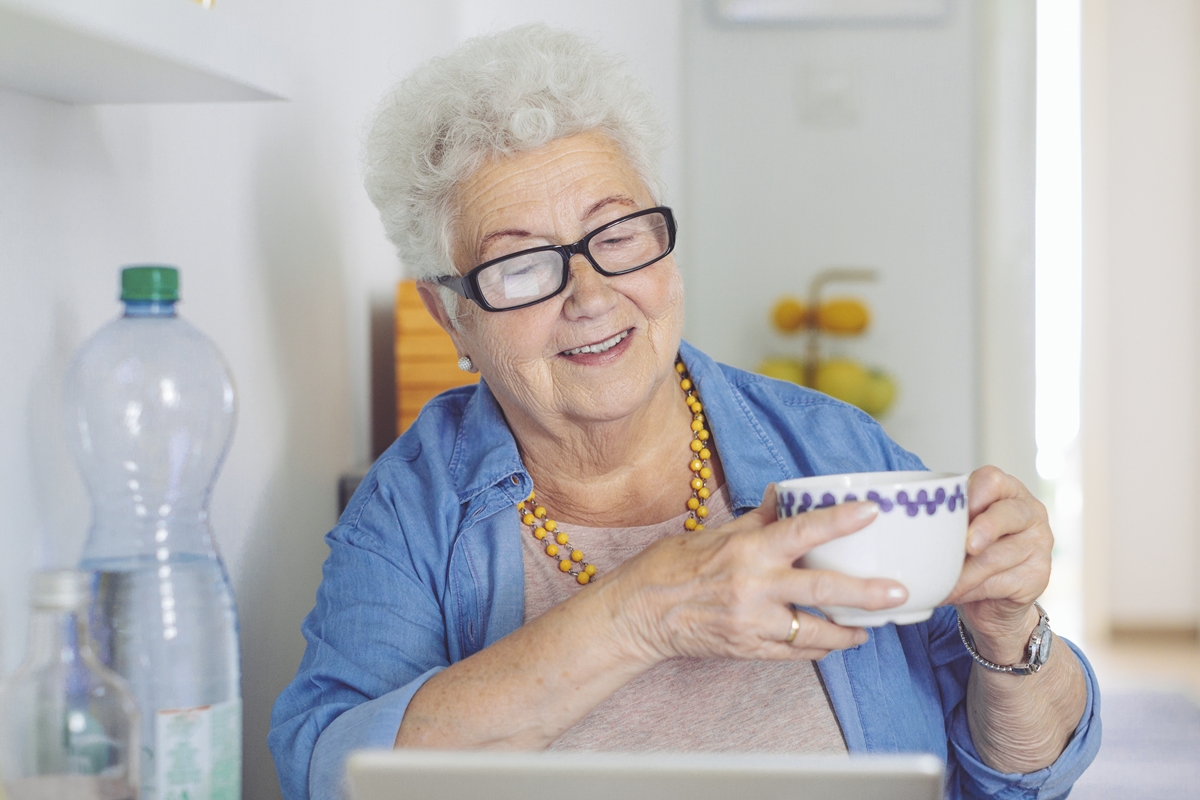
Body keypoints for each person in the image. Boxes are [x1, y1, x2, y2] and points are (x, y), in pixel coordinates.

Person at [268, 25, 1100, 800]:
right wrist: (638, 614)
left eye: (616, 236)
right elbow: (329, 772)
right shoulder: (410, 513)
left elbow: (1020, 778)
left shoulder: (830, 446)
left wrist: (1009, 633)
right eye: (520, 265)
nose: (590, 296)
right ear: (451, 315)